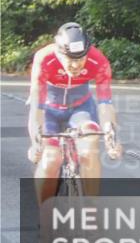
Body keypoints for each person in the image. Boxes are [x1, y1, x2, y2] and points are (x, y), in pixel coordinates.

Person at [26, 23, 123, 203]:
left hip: (81, 108)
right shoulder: (44, 58)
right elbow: (36, 108)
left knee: (89, 149)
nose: (76, 65)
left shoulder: (98, 60)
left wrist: (112, 138)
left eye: (81, 58)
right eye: (70, 59)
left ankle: (91, 209)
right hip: (49, 109)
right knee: (50, 159)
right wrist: (35, 143)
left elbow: (105, 104)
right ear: (58, 52)